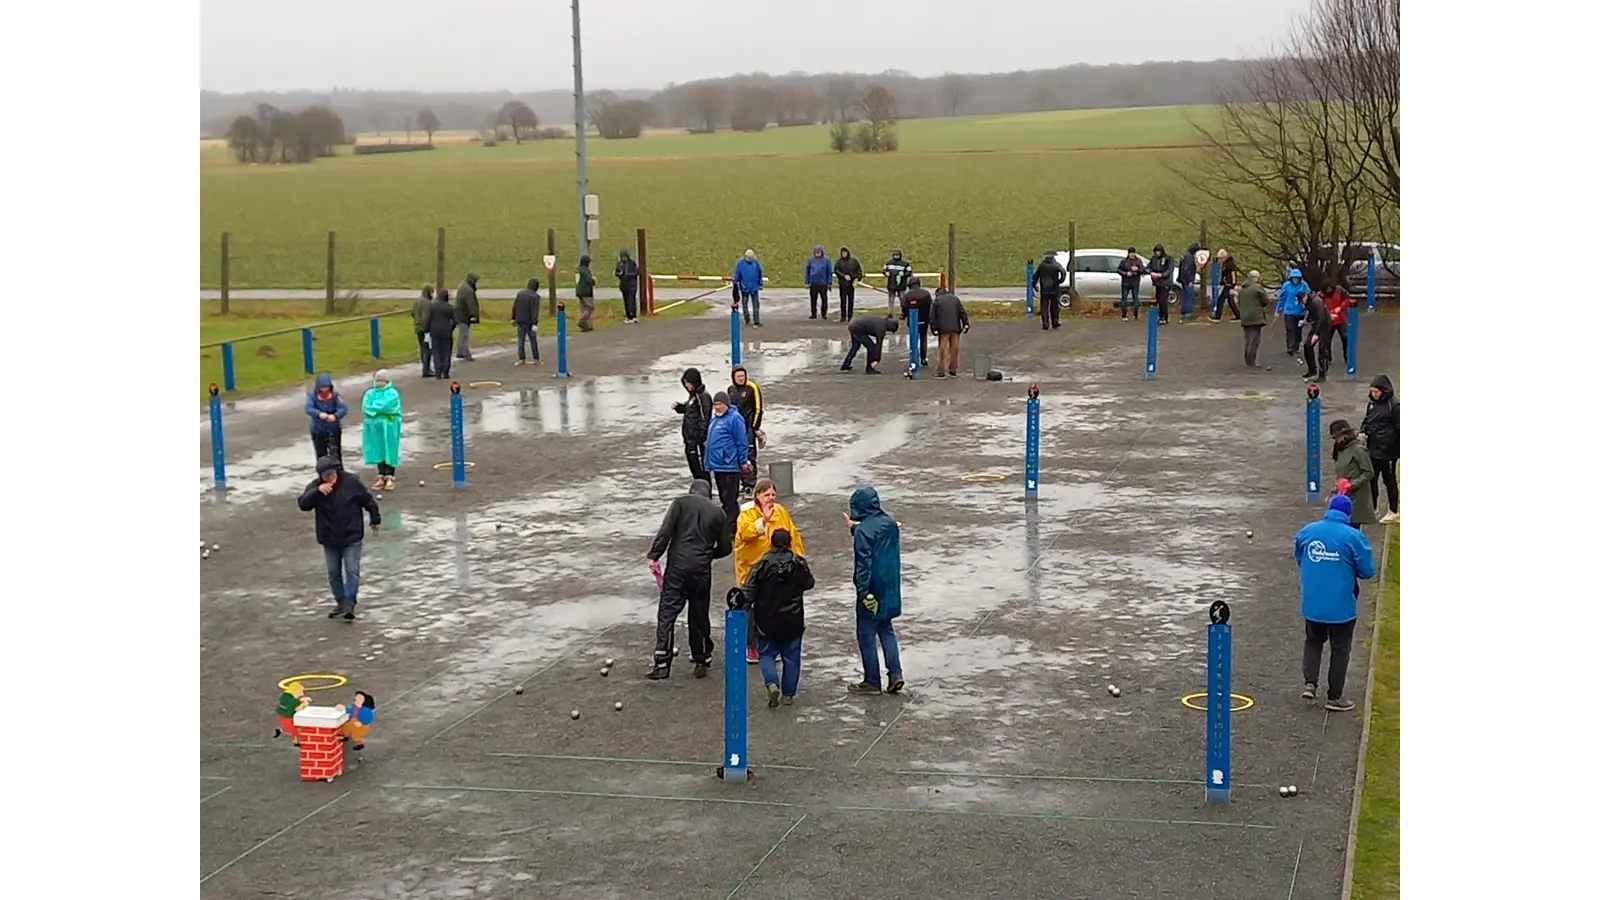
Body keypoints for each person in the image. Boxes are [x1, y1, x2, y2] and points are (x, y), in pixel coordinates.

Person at [1294, 493, 1376, 712]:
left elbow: (1300, 557)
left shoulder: (1308, 531)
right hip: (1341, 606)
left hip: (1312, 603)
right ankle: (1335, 696)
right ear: (1348, 514)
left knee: (1313, 640)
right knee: (1340, 649)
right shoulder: (1353, 537)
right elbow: (1368, 571)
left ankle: (1310, 683)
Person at [645, 479, 732, 679]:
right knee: (699, 613)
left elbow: (665, 531)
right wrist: (709, 555)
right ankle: (701, 657)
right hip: (701, 570)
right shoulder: (718, 512)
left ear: (691, 491)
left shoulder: (680, 503)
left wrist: (654, 555)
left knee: (667, 613)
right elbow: (726, 548)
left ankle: (662, 662)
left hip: (677, 567)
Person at [297, 455, 381, 621]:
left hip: (351, 536)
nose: (328, 478)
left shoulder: (351, 482)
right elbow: (302, 504)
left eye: (331, 474)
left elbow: (368, 500)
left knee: (352, 570)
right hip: (329, 538)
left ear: (336, 471)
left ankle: (349, 603)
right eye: (324, 475)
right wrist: (317, 492)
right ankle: (340, 602)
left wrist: (375, 518)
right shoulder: (316, 487)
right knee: (333, 572)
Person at [738, 527, 814, 707]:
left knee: (766, 654)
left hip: (766, 619)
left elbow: (749, 591)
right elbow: (809, 583)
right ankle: (788, 694)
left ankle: (772, 682)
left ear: (771, 542)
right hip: (793, 619)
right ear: (789, 542)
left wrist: (741, 607)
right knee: (792, 658)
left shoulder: (762, 564)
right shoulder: (798, 563)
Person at [735, 478, 805, 665]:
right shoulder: (746, 513)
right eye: (767, 495)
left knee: (773, 606)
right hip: (752, 567)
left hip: (776, 570)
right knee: (750, 607)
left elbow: (792, 534)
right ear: (757, 495)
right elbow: (745, 534)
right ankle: (751, 646)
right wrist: (763, 520)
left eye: (773, 494)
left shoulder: (781, 511)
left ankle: (772, 645)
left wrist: (798, 560)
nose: (771, 498)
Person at [847, 486, 904, 695]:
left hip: (872, 590)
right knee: (886, 630)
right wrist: (855, 528)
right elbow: (875, 534)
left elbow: (864, 564)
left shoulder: (863, 532)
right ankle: (895, 673)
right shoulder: (890, 523)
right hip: (890, 587)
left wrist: (862, 592)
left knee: (866, 635)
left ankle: (872, 680)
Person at [703, 392, 750, 530]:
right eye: (715, 404)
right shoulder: (715, 420)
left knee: (730, 500)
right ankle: (728, 527)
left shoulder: (735, 418)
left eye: (720, 404)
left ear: (727, 405)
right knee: (724, 499)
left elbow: (742, 441)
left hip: (730, 465)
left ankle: (732, 529)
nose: (717, 407)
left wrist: (743, 461)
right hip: (718, 466)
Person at [1359, 374, 1400, 524]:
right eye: (1372, 392)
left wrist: (1395, 447)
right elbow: (1367, 420)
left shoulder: (1394, 405)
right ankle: (1373, 508)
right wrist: (1362, 432)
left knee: (1389, 481)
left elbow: (1399, 428)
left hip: (1388, 451)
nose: (1374, 395)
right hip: (1373, 449)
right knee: (1372, 479)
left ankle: (1393, 511)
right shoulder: (1372, 404)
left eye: (1377, 392)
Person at [1329, 419, 1377, 530]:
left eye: (1337, 437)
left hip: (1357, 499)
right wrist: (1334, 491)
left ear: (1345, 434)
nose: (1336, 440)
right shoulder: (1340, 450)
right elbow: (1342, 474)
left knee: (1352, 530)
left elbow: (1369, 473)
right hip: (1343, 495)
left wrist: (1351, 485)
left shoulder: (1359, 450)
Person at [360, 370, 402, 492]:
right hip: (375, 427)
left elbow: (387, 406)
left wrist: (375, 409)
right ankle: (381, 475)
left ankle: (390, 476)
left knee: (390, 448)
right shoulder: (370, 393)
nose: (380, 383)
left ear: (387, 381)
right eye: (378, 380)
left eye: (382, 380)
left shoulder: (392, 393)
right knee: (378, 449)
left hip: (389, 426)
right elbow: (366, 407)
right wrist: (379, 410)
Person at [672, 367, 714, 482]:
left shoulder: (703, 396)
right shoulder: (693, 396)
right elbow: (690, 408)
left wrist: (701, 438)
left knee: (700, 470)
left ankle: (705, 492)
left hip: (697, 441)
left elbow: (705, 418)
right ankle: (700, 489)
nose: (686, 386)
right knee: (694, 468)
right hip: (690, 440)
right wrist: (679, 407)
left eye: (688, 383)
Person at [727, 365, 764, 491]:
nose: (741, 379)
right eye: (738, 376)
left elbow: (758, 409)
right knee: (737, 455)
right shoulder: (731, 389)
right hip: (735, 428)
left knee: (749, 455)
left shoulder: (752, 388)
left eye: (742, 376)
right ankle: (741, 482)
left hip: (748, 427)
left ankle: (750, 484)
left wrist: (755, 427)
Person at [305, 373, 348, 461]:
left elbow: (343, 408)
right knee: (321, 455)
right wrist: (319, 414)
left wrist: (335, 416)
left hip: (334, 429)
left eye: (326, 387)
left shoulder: (335, 396)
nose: (324, 389)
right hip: (318, 430)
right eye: (322, 387)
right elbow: (308, 408)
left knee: (336, 454)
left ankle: (338, 472)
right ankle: (322, 473)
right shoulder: (312, 397)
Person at [929, 286, 970, 378]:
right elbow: (962, 312)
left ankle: (941, 370)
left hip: (943, 329)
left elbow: (932, 316)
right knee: (954, 349)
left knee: (943, 350)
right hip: (955, 328)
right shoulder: (955, 299)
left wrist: (934, 328)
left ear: (937, 293)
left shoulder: (937, 301)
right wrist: (966, 324)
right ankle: (953, 369)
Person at [1237, 270, 1272, 369]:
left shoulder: (1242, 289)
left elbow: (1239, 302)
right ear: (1256, 277)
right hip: (1256, 316)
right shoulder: (1257, 288)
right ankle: (1251, 361)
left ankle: (1247, 359)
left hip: (1245, 317)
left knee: (1247, 339)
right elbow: (1266, 300)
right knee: (1254, 339)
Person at [1276, 267, 1311, 359]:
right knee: (1290, 329)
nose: (1295, 280)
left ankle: (1296, 346)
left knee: (1298, 330)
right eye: (1293, 278)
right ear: (1291, 278)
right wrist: (1278, 310)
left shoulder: (1304, 285)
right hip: (1289, 311)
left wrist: (1308, 309)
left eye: (1297, 278)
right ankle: (1290, 347)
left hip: (1300, 311)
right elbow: (1282, 298)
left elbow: (1309, 297)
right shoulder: (1286, 285)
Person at [900, 276, 934, 367]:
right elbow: (931, 306)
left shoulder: (907, 295)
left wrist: (904, 315)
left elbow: (904, 307)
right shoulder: (926, 293)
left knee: (913, 339)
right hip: (924, 319)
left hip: (912, 319)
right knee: (923, 338)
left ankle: (914, 357)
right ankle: (923, 358)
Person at [1301, 284, 1332, 382]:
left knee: (1322, 350)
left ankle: (1323, 375)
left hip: (1325, 326)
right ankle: (1312, 369)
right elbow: (1310, 313)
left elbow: (1321, 317)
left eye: (1302, 300)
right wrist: (1306, 321)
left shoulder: (1316, 301)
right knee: (1307, 346)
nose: (1302, 303)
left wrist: (1316, 334)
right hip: (1316, 325)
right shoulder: (1309, 302)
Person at [1321, 283, 1354, 371]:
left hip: (1341, 319)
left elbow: (1347, 299)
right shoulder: (1321, 295)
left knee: (1345, 338)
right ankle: (1327, 358)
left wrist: (1340, 307)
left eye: (1330, 288)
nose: (1328, 291)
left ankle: (1347, 358)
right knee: (1326, 340)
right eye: (1326, 289)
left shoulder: (1340, 290)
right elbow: (1320, 306)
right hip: (1329, 320)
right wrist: (1328, 313)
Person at [1032, 251, 1067, 331]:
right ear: (1053, 257)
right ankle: (1055, 322)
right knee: (1054, 306)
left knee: (1044, 306)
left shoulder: (1042, 266)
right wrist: (1059, 281)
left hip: (1044, 288)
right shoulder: (1056, 265)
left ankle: (1045, 324)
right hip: (1054, 288)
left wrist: (1034, 285)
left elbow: (1036, 276)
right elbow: (1063, 273)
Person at [427, 287, 456, 379]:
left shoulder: (432, 306)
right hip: (446, 331)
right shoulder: (450, 307)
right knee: (446, 351)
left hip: (435, 330)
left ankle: (438, 371)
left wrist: (428, 329)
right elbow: (455, 320)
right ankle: (445, 371)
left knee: (436, 351)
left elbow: (428, 319)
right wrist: (451, 328)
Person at [512, 277, 541, 365]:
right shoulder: (535, 297)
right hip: (529, 322)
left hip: (520, 319)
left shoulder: (520, 293)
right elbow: (534, 311)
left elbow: (515, 306)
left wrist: (513, 317)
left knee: (521, 340)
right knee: (533, 340)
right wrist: (535, 323)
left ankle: (521, 358)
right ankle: (536, 358)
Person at [733, 249, 764, 327]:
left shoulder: (756, 263)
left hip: (754, 287)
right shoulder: (740, 264)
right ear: (745, 256)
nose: (750, 259)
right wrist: (735, 282)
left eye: (751, 258)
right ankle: (747, 319)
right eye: (749, 258)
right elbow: (737, 274)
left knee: (756, 305)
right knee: (745, 304)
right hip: (744, 288)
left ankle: (756, 321)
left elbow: (760, 273)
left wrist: (760, 284)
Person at [454, 273, 480, 362]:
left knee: (462, 333)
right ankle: (465, 353)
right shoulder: (468, 290)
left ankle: (460, 351)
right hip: (464, 314)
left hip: (460, 313)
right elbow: (471, 304)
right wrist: (473, 315)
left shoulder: (463, 286)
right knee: (464, 334)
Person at [409, 285, 434, 377]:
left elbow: (412, 313)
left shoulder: (417, 301)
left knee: (422, 348)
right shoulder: (427, 303)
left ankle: (425, 368)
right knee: (427, 349)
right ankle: (426, 370)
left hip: (417, 327)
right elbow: (426, 317)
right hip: (425, 329)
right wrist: (427, 327)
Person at [1148, 244, 1175, 324]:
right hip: (1157, 283)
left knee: (1163, 300)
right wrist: (1151, 272)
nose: (1157, 253)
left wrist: (1161, 275)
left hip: (1165, 283)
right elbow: (1149, 267)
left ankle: (1163, 317)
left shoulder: (1168, 258)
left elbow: (1169, 270)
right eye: (1156, 251)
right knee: (1159, 300)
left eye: (1159, 251)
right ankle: (1162, 316)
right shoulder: (1154, 259)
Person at [834, 246, 862, 322]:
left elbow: (858, 270)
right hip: (843, 284)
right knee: (843, 300)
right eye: (843, 253)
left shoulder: (853, 261)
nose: (844, 254)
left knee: (850, 301)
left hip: (851, 284)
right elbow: (836, 270)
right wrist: (843, 276)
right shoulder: (839, 262)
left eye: (845, 253)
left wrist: (857, 278)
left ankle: (850, 316)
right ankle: (843, 316)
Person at [805, 244, 833, 320]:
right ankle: (813, 313)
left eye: (819, 252)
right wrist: (806, 282)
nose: (817, 253)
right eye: (816, 252)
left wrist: (829, 283)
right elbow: (807, 271)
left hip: (823, 283)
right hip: (813, 283)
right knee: (813, 299)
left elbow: (829, 272)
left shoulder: (826, 260)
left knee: (824, 299)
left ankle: (824, 314)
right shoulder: (811, 260)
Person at [1211, 250, 1240, 321]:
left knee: (1220, 300)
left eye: (1220, 258)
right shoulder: (1226, 263)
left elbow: (1233, 276)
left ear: (1223, 257)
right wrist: (1222, 282)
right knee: (1230, 301)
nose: (1220, 260)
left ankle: (1217, 317)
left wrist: (1232, 285)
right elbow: (1225, 275)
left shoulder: (1230, 264)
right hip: (1227, 284)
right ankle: (1238, 316)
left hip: (1229, 285)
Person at [882, 249, 912, 318]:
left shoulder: (905, 264)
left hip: (901, 285)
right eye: (895, 255)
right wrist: (885, 273)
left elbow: (909, 272)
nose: (896, 256)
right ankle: (890, 313)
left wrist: (904, 274)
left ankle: (903, 313)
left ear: (900, 255)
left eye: (897, 255)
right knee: (891, 300)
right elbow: (884, 270)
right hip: (891, 285)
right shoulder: (889, 263)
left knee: (902, 299)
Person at [1116, 248, 1143, 321]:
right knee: (1124, 299)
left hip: (1135, 282)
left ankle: (1135, 315)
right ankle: (1124, 315)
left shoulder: (1138, 261)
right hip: (1126, 282)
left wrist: (1137, 269)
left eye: (1133, 253)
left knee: (1136, 298)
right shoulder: (1124, 261)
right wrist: (1126, 273)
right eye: (1131, 253)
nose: (1132, 255)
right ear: (1128, 254)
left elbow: (1142, 270)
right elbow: (1118, 270)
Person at [615, 249, 641, 323]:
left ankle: (633, 316)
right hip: (623, 284)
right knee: (626, 300)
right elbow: (616, 272)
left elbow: (637, 272)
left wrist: (629, 274)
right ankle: (628, 316)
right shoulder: (620, 264)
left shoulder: (632, 263)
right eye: (622, 257)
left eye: (625, 257)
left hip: (632, 284)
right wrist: (619, 274)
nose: (624, 259)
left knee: (631, 300)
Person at [1177, 242, 1201, 321]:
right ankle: (1188, 312)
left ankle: (1183, 312)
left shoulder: (1184, 255)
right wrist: (1190, 280)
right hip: (1187, 280)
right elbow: (1187, 269)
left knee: (1184, 296)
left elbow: (1183, 268)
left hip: (1183, 279)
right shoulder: (1189, 257)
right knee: (1189, 296)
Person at [575, 255, 597, 332]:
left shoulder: (578, 270)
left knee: (583, 308)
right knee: (591, 307)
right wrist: (593, 281)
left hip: (579, 291)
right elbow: (588, 280)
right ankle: (582, 321)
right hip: (586, 291)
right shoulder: (585, 270)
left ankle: (586, 327)